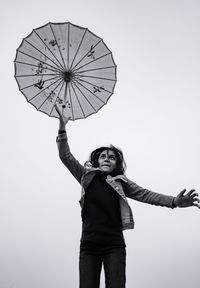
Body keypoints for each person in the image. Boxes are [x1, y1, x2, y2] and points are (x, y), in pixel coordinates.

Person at [55, 105, 200, 288]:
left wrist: (174, 201)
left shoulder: (121, 183)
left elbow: (146, 194)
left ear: (117, 165)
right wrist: (62, 127)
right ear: (96, 161)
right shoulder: (86, 176)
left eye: (112, 157)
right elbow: (66, 156)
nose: (107, 158)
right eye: (103, 156)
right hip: (89, 245)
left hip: (114, 245)